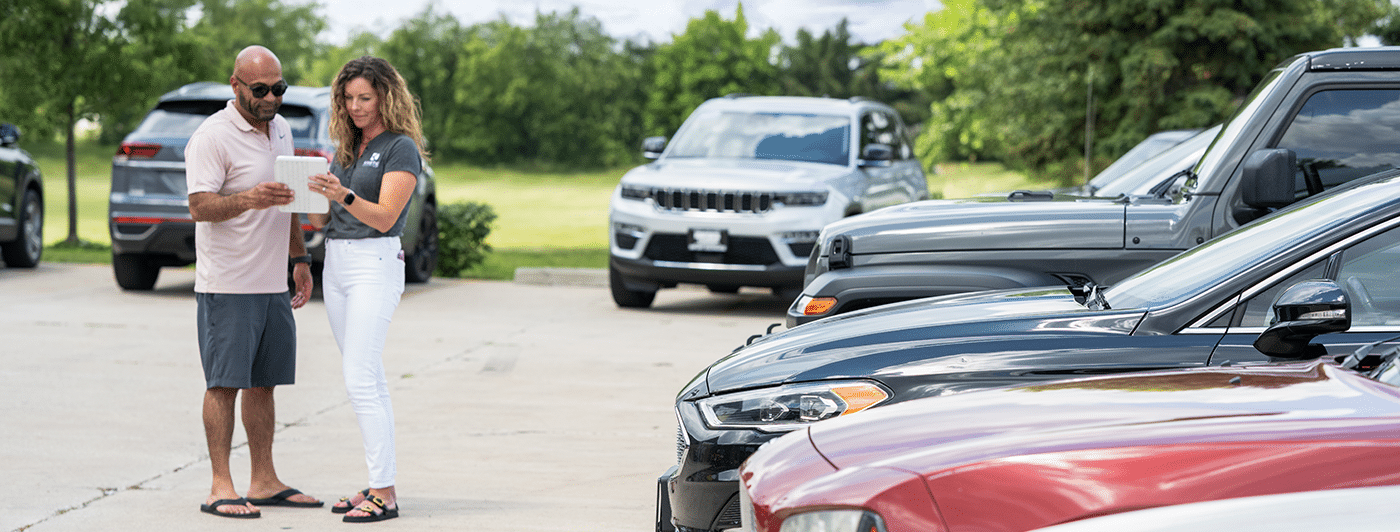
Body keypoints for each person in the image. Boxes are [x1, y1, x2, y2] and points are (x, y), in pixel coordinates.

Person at [185, 45, 322, 519]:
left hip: (271, 283)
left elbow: (289, 199)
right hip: (228, 284)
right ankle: (219, 486)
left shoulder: (280, 128)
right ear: (236, 84)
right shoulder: (212, 137)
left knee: (264, 384)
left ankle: (263, 481)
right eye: (260, 89)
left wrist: (299, 258)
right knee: (224, 384)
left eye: (278, 88)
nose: (270, 98)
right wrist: (248, 199)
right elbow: (199, 206)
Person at [306, 55, 428, 523]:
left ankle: (385, 493)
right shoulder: (345, 148)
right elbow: (322, 220)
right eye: (349, 98)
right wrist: (310, 192)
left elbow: (385, 216)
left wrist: (343, 194)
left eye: (365, 98)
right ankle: (380, 481)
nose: (355, 107)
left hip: (374, 264)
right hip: (336, 263)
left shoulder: (401, 148)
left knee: (359, 378)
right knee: (368, 377)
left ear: (385, 98)